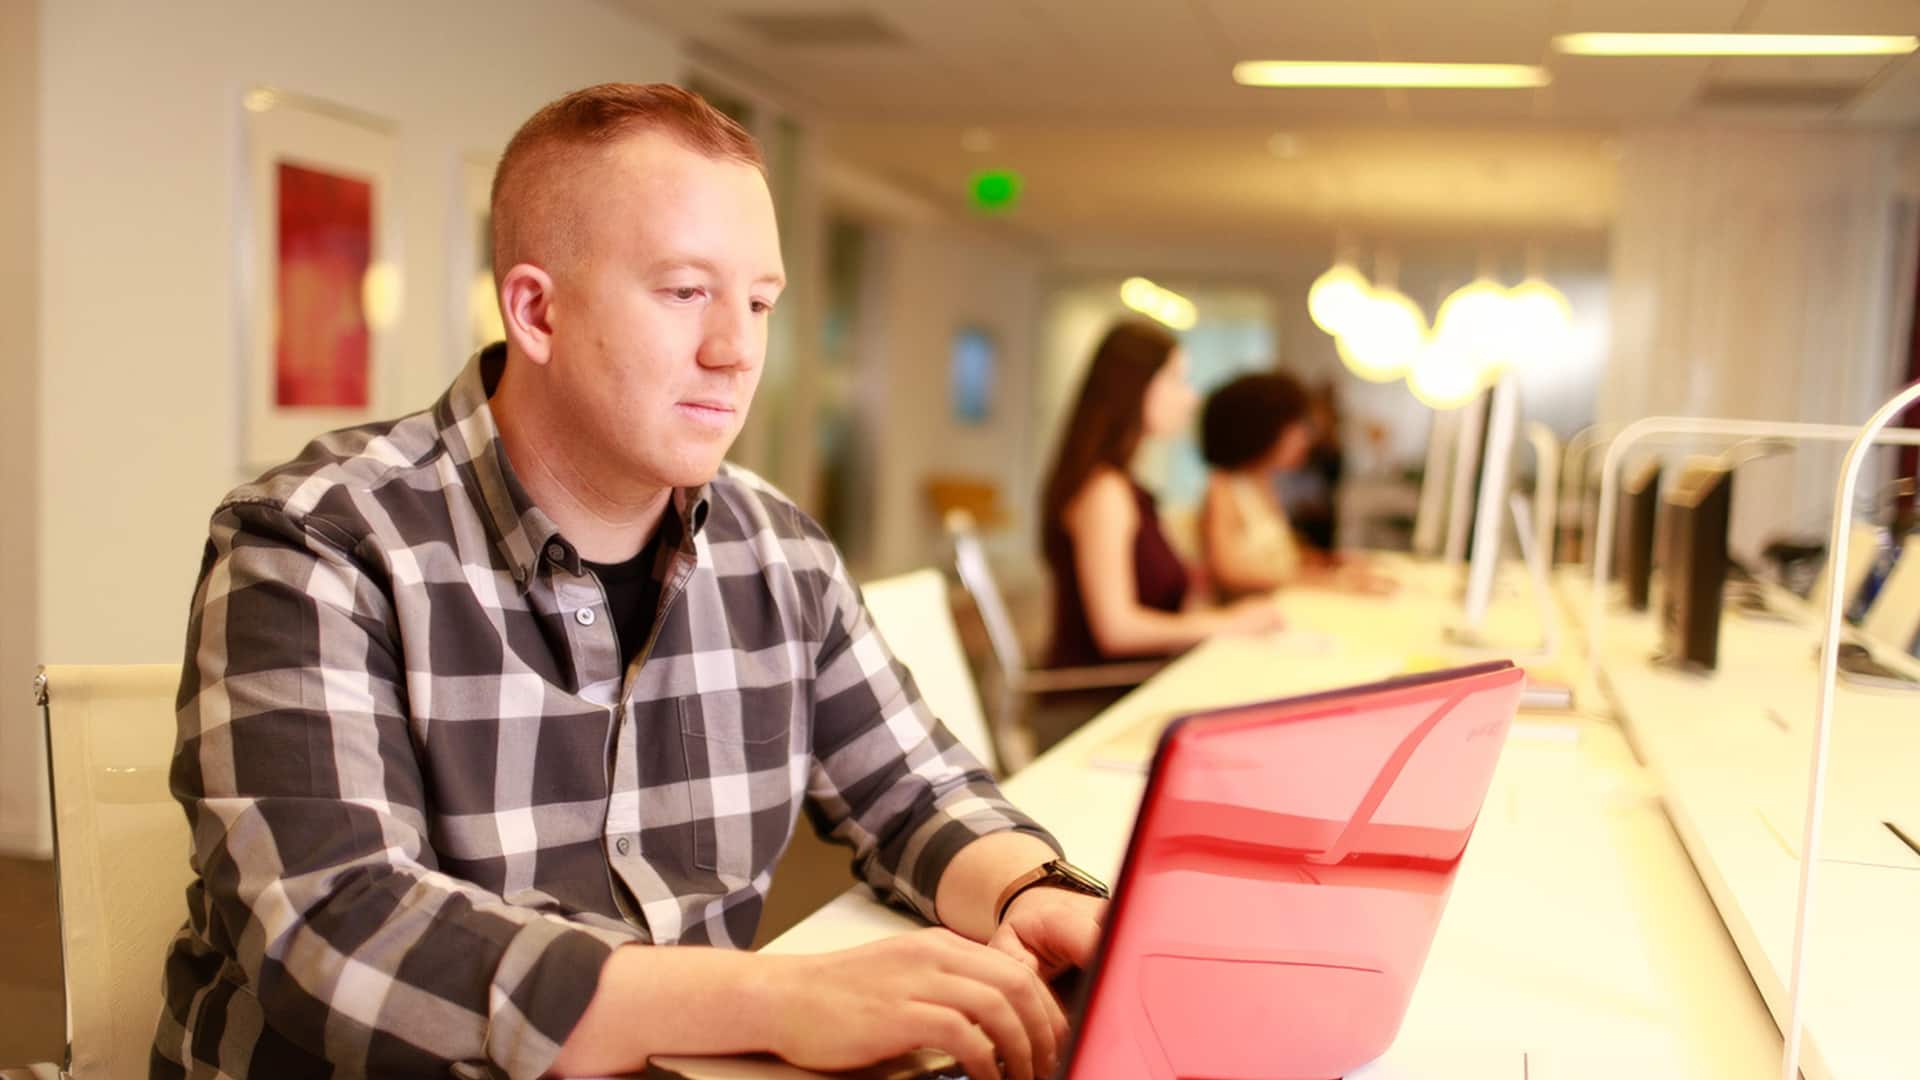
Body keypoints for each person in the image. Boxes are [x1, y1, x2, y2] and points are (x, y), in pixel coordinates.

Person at [156, 84, 1104, 1080]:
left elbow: (916, 790)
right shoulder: (317, 543)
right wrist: (776, 1001)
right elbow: (335, 928)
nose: (737, 351)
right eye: (686, 291)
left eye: (760, 302)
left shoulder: (779, 552)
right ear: (536, 310)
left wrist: (1030, 896)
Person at [1039, 320, 1284, 670]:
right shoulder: (1104, 493)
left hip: (1137, 683)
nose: (1191, 396)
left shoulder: (1125, 487)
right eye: (1175, 379)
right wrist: (1229, 623)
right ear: (1134, 387)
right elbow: (1117, 630)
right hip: (1100, 700)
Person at [1201, 373, 1394, 600]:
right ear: (1264, 428)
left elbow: (1276, 555)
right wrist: (1323, 581)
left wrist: (1330, 562)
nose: (1305, 437)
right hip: (1250, 616)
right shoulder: (1224, 485)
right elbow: (1230, 572)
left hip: (1280, 604)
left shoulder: (1263, 481)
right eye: (1296, 426)